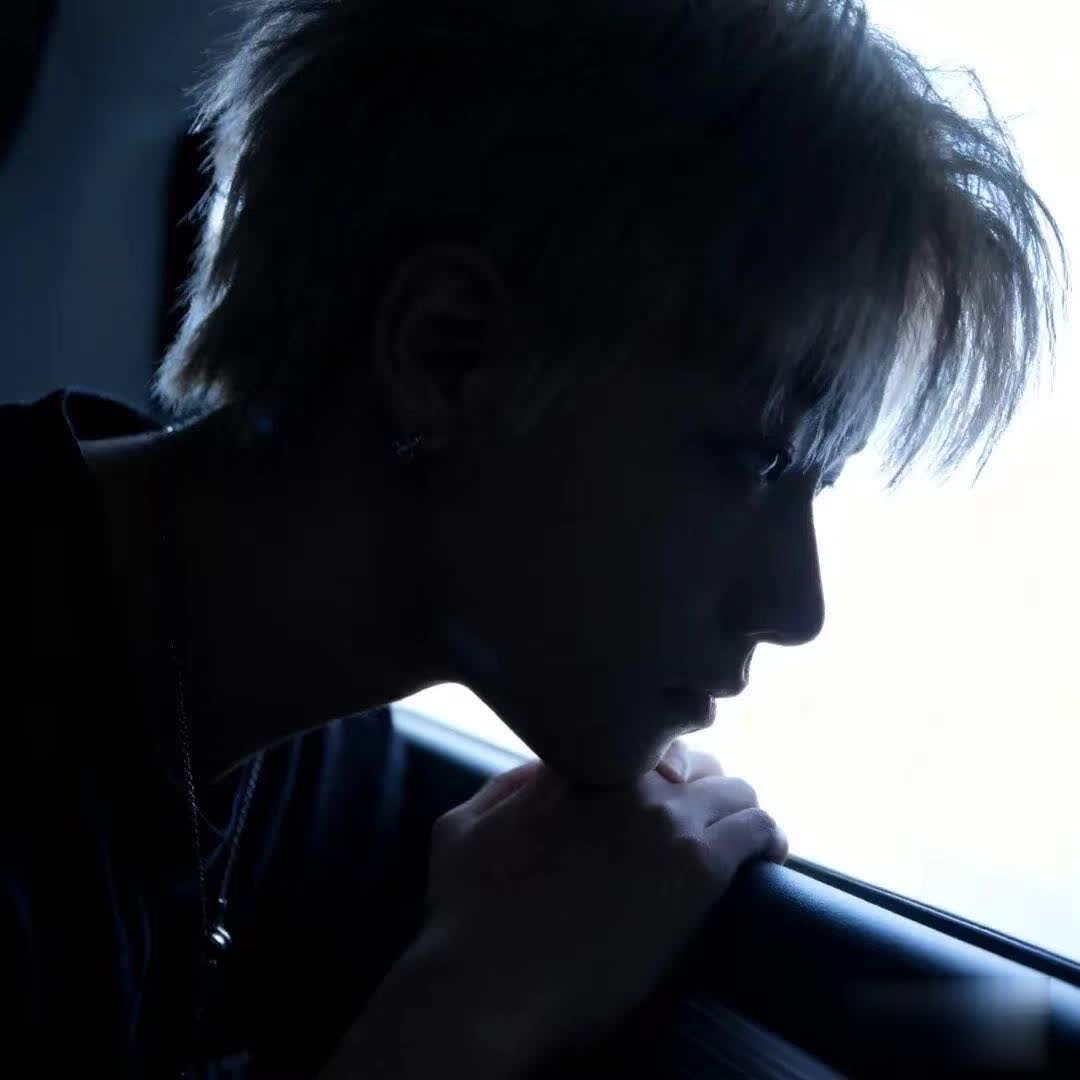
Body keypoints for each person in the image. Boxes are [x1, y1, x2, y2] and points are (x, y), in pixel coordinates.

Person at [3, 0, 1064, 1076]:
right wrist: (458, 1024)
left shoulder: (313, 764)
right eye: (750, 461)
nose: (796, 608)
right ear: (447, 354)